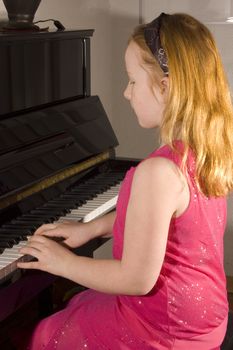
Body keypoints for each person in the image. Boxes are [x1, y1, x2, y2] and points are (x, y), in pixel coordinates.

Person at [17, 12, 233, 350]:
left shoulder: (158, 173)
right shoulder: (200, 151)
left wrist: (65, 264)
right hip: (204, 317)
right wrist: (93, 228)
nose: (126, 93)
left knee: (42, 336)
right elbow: (164, 225)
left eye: (132, 80)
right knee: (77, 305)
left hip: (164, 330)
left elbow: (135, 279)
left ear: (165, 87)